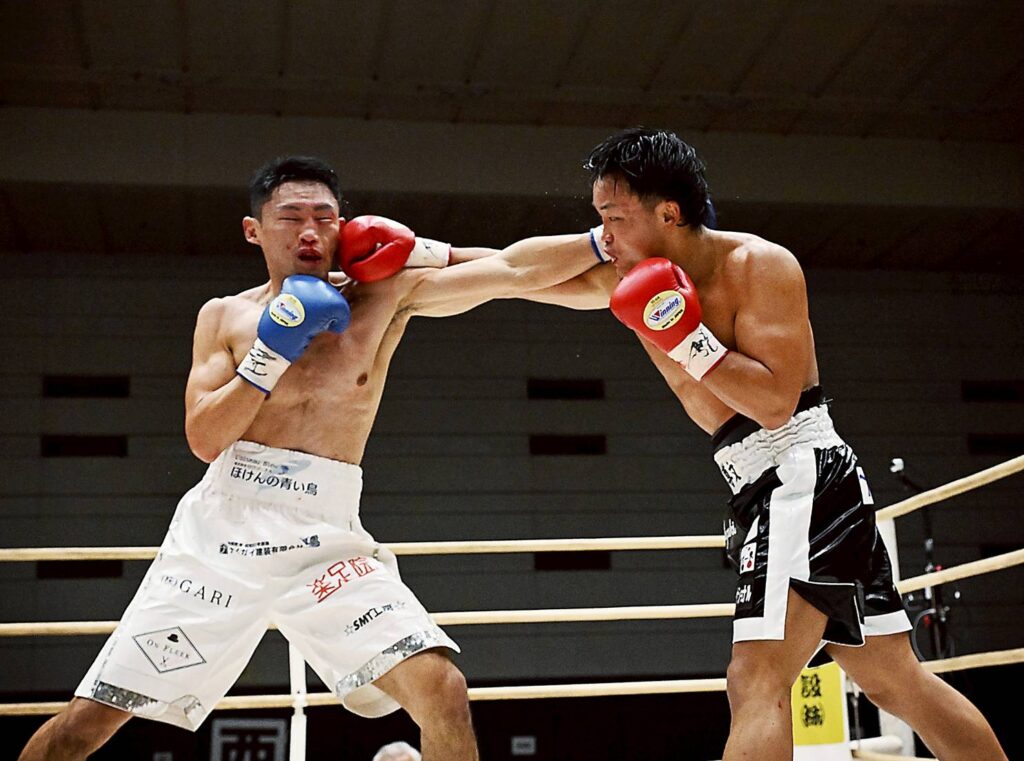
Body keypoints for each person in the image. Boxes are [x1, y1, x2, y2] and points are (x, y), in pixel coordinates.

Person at [17, 156, 603, 761]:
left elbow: (511, 270)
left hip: (326, 534)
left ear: (342, 227)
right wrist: (270, 353)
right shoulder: (225, 316)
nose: (309, 231)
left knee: (442, 689)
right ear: (254, 230)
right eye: (291, 217)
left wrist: (601, 243)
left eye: (324, 218)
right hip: (221, 535)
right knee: (87, 723)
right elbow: (204, 439)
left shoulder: (384, 295)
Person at [521, 128, 1008, 761]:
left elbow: (776, 403)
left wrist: (685, 336)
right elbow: (511, 272)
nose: (603, 236)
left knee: (755, 680)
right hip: (770, 483)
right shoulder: (630, 277)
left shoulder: (759, 265)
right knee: (895, 680)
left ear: (668, 213)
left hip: (799, 472)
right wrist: (429, 259)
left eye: (613, 218)